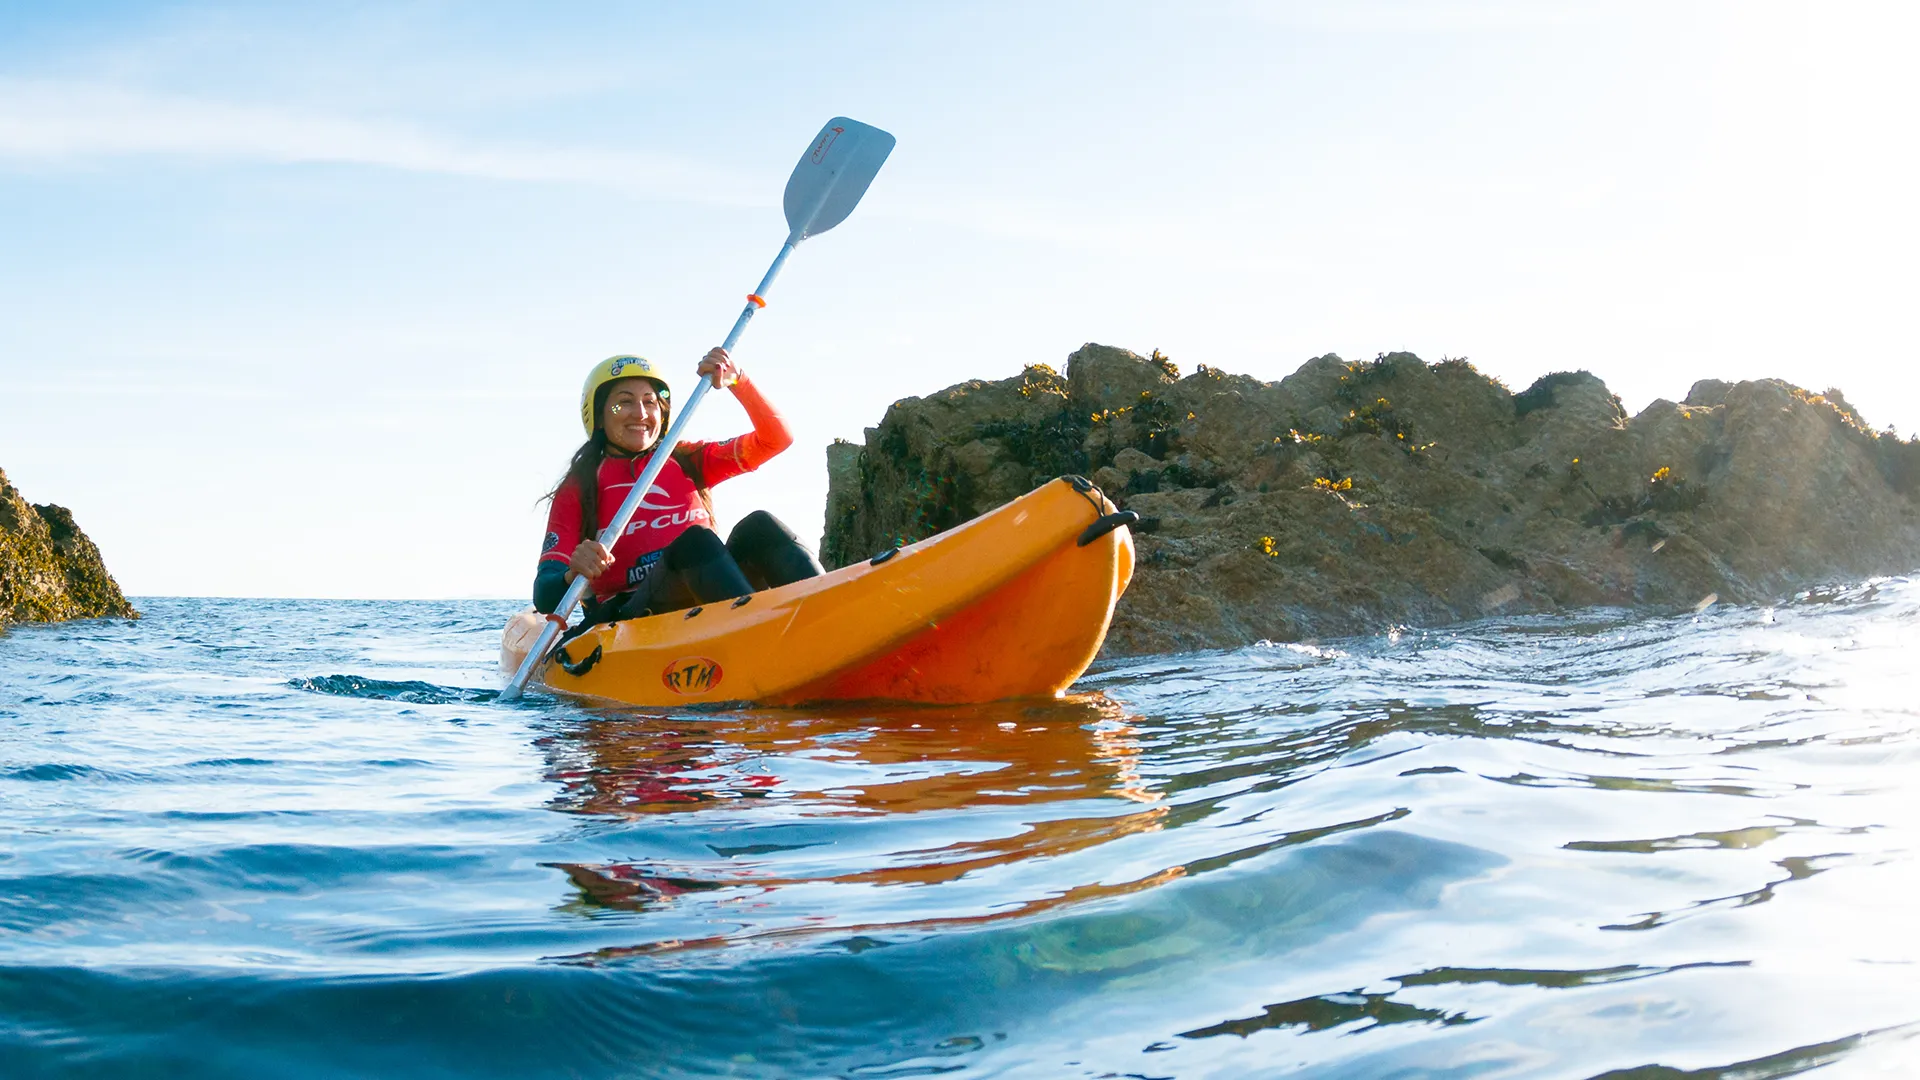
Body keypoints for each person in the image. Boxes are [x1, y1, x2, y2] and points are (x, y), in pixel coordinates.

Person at [534, 347, 823, 625]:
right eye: (623, 403)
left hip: (708, 599)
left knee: (761, 527)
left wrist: (738, 379)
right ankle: (757, 634)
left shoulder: (686, 459)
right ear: (598, 415)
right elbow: (545, 595)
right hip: (634, 615)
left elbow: (776, 439)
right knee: (695, 542)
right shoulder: (579, 487)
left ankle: (825, 610)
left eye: (649, 402)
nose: (641, 413)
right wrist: (571, 574)